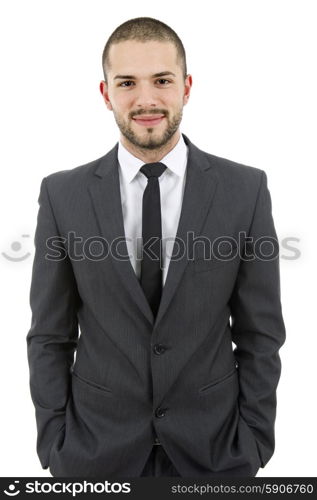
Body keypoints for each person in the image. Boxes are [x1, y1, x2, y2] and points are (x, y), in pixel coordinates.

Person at [26, 16, 286, 477]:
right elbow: (50, 334)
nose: (146, 100)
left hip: (215, 454)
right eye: (127, 82)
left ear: (186, 87)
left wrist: (255, 440)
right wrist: (54, 444)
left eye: (162, 80)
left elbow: (259, 333)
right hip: (93, 456)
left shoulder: (244, 190)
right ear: (106, 94)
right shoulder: (62, 195)